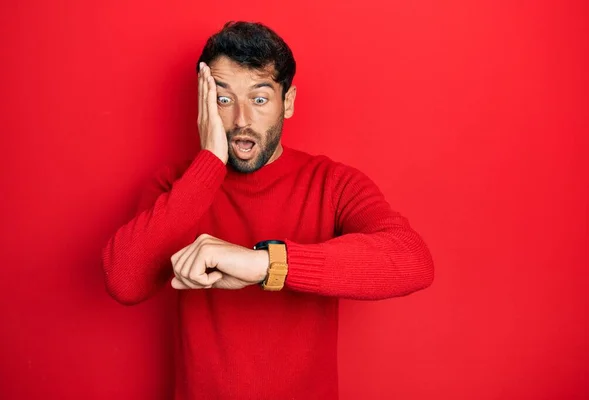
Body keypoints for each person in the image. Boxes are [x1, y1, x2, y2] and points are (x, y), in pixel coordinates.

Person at [102, 21, 434, 400]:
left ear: (287, 102)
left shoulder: (332, 183)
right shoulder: (175, 186)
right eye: (223, 100)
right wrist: (210, 162)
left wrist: (266, 264)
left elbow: (412, 260)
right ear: (204, 103)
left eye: (259, 99)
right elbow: (124, 281)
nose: (241, 120)